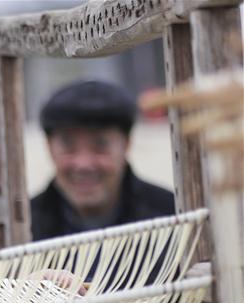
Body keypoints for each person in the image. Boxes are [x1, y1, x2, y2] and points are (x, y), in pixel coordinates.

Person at [31, 79, 176, 240]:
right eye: (68, 146)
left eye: (100, 145)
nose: (84, 164)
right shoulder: (22, 228)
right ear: (49, 147)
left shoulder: (173, 217)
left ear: (126, 144)